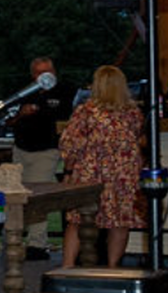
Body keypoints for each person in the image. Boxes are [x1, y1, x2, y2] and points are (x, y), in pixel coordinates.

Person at [61, 64, 145, 267]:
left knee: (78, 221)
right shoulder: (133, 113)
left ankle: (67, 266)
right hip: (124, 176)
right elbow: (138, 139)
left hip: (91, 174)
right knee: (120, 223)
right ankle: (113, 267)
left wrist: (68, 170)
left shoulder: (86, 111)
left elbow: (70, 144)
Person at [10, 54, 71, 258]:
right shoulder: (24, 92)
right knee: (18, 196)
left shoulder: (65, 92)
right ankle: (15, 239)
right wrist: (22, 114)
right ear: (32, 75)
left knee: (37, 194)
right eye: (39, 73)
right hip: (21, 148)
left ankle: (37, 244)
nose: (44, 76)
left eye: (48, 71)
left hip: (47, 150)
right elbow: (9, 120)